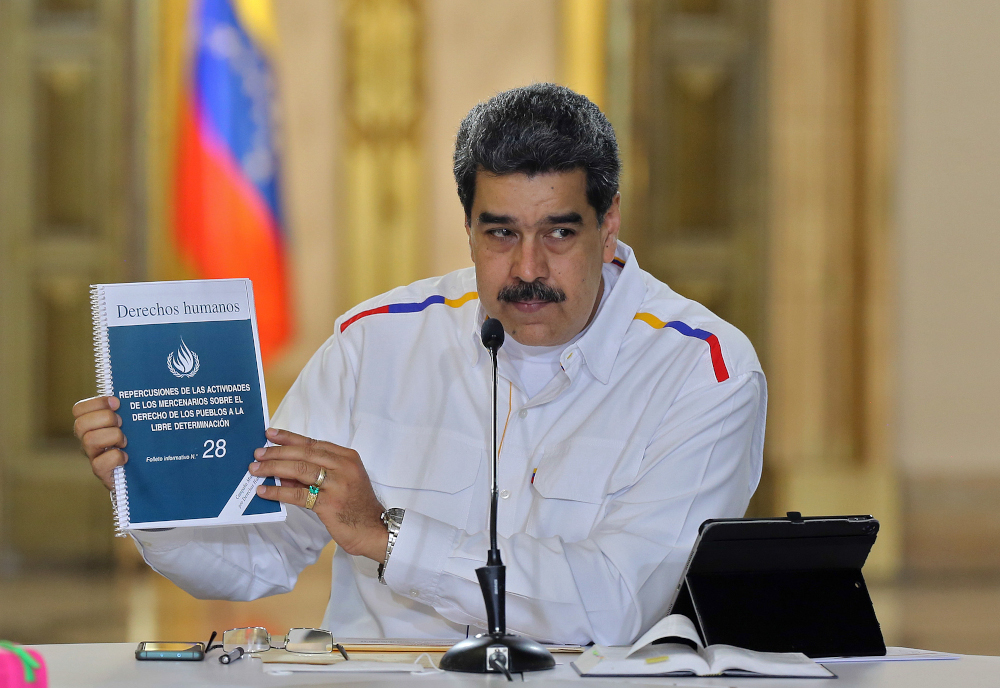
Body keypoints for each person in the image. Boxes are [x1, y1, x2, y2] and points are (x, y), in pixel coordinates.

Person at [73, 83, 765, 646]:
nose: (527, 270)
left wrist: (388, 535)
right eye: (500, 234)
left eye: (558, 232)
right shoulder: (374, 343)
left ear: (608, 222)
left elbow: (616, 605)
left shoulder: (704, 371)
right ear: (466, 226)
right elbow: (259, 555)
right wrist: (155, 494)